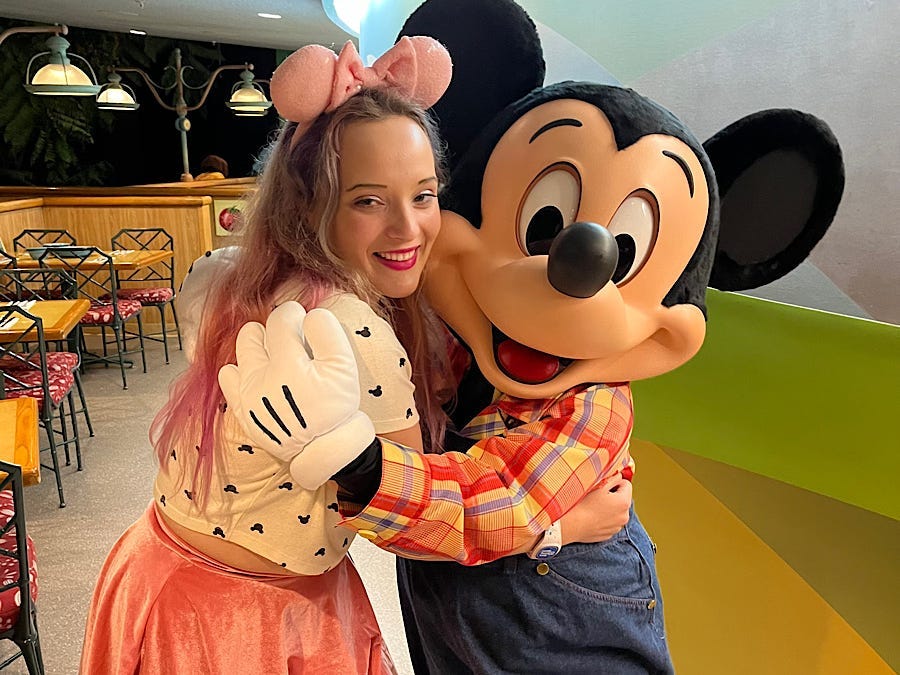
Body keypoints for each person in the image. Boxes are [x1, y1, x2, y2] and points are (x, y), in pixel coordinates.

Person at [80, 38, 629, 675]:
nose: (407, 228)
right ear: (310, 208)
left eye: (424, 196)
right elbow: (418, 525)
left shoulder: (250, 276)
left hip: (157, 569)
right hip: (247, 620)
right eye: (369, 201)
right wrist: (561, 527)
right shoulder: (353, 331)